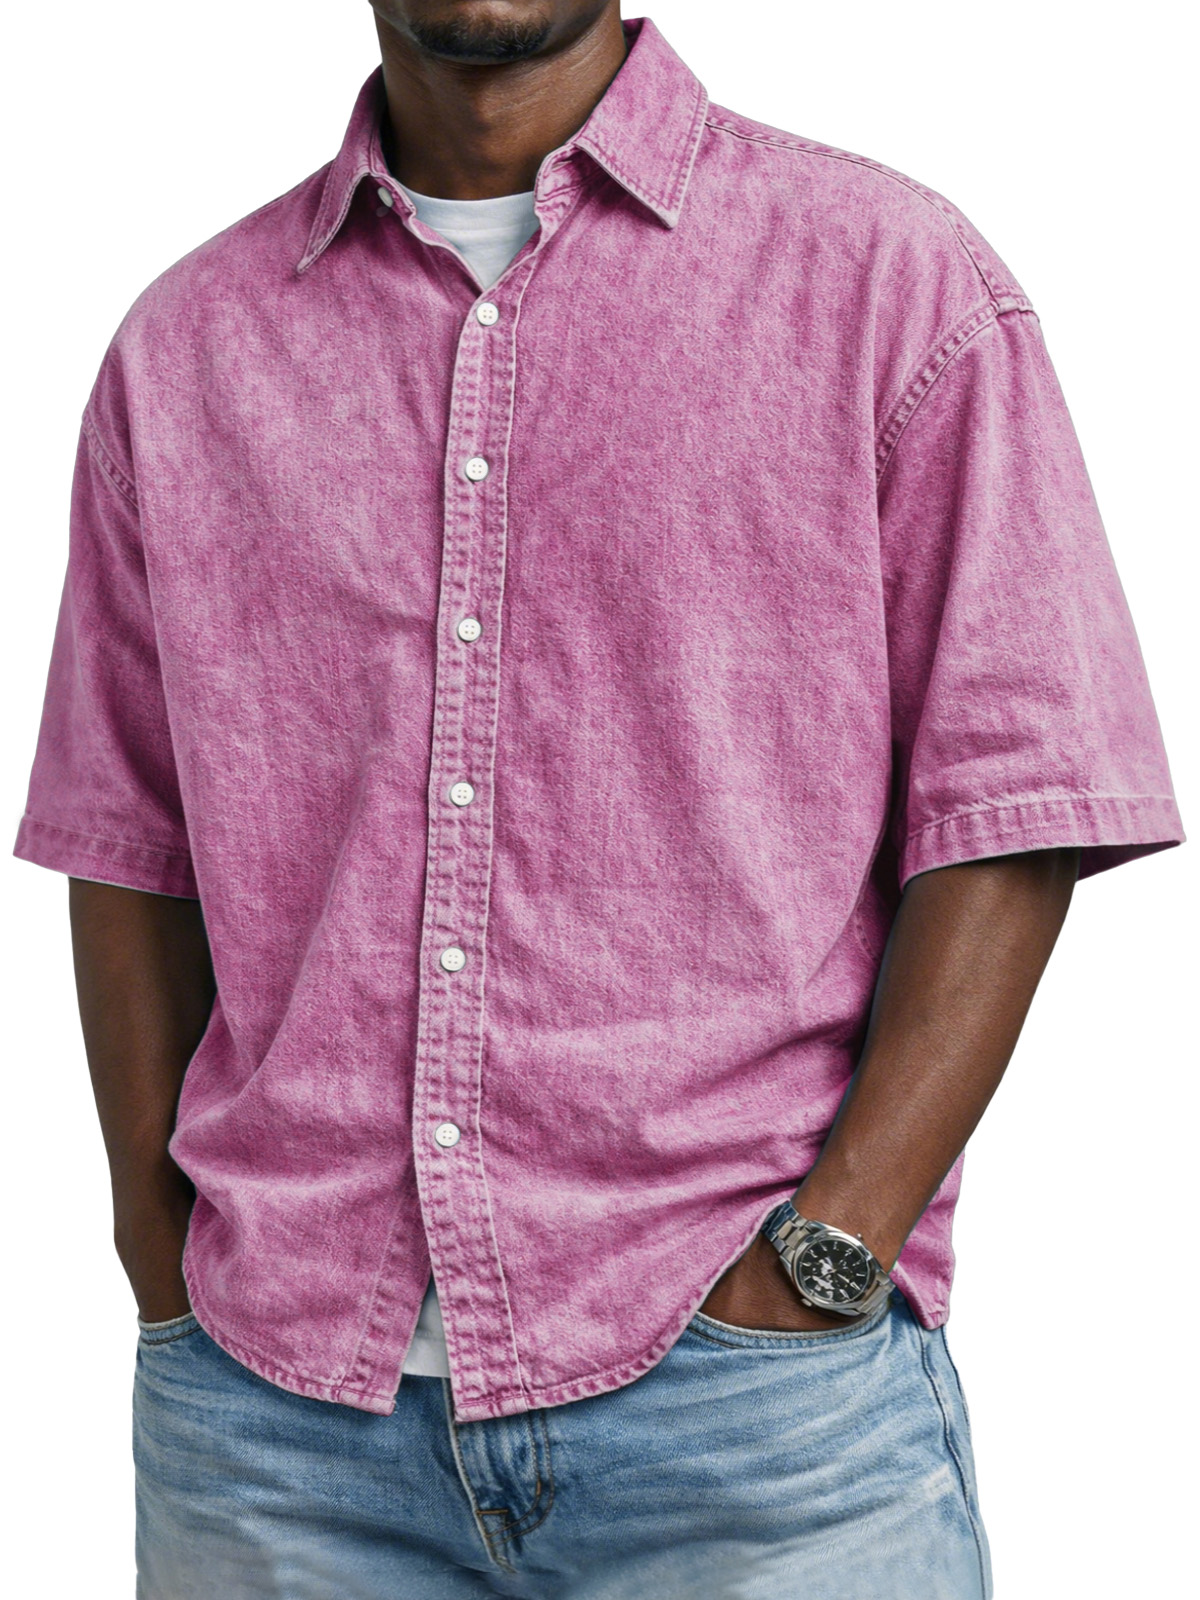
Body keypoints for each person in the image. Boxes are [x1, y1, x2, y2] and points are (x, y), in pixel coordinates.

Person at [13, 3, 1183, 1596]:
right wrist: (162, 1267)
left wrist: (832, 1249)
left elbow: (1015, 802)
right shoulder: (187, 346)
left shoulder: (888, 282)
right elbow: (127, 837)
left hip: (754, 1419)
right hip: (278, 1430)